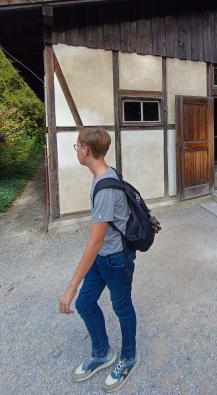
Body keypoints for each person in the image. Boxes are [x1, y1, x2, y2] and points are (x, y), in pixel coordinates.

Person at [59, 127, 139, 392]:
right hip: (104, 257)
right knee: (85, 303)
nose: (77, 150)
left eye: (77, 146)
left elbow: (95, 241)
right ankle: (103, 353)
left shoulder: (103, 186)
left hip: (115, 260)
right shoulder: (104, 174)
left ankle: (128, 356)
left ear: (87, 150)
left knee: (122, 307)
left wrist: (71, 285)